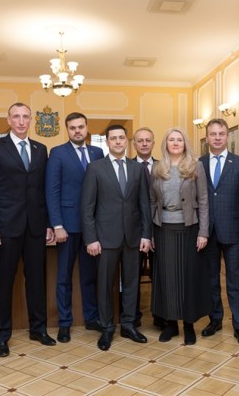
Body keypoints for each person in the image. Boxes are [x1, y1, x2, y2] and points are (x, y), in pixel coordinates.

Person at [0, 102, 56, 358]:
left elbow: (44, 190)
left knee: (37, 281)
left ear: (31, 120)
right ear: (9, 120)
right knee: (4, 282)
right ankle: (1, 336)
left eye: (25, 117)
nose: (21, 121)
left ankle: (38, 329)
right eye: (16, 116)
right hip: (5, 227)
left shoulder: (40, 149)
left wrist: (48, 223)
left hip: (35, 227)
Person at [81, 124, 152, 351]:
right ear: (107, 142)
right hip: (105, 239)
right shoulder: (95, 168)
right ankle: (107, 327)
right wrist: (91, 238)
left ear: (126, 140)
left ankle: (128, 325)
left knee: (131, 283)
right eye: (114, 138)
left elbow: (144, 204)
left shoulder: (137, 169)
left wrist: (146, 235)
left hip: (133, 237)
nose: (118, 141)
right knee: (105, 285)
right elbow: (87, 207)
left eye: (122, 137)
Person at [45, 112, 104, 343]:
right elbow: (52, 190)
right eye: (72, 128)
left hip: (92, 227)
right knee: (64, 277)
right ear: (67, 130)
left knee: (89, 276)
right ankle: (64, 323)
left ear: (87, 128)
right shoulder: (58, 153)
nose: (77, 131)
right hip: (67, 227)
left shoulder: (97, 153)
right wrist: (57, 224)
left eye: (80, 127)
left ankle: (92, 318)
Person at [149, 127, 211, 345]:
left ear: (185, 144)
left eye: (179, 140)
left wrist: (203, 232)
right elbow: (151, 201)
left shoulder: (196, 166)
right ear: (165, 144)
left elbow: (203, 200)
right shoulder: (157, 167)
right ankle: (171, 324)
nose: (175, 143)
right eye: (171, 140)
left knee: (188, 278)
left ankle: (188, 325)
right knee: (167, 278)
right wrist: (150, 233)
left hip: (189, 228)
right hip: (163, 228)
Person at [199, 118, 239, 346]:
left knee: (236, 281)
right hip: (206, 233)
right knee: (210, 280)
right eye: (213, 134)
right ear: (207, 138)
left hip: (234, 231)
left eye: (221, 134)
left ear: (227, 136)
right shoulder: (198, 164)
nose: (217, 138)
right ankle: (215, 319)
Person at [130, 127, 165, 330]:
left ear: (153, 143)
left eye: (148, 140)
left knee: (159, 274)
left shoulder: (163, 167)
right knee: (132, 274)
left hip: (160, 228)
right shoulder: (126, 166)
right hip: (134, 231)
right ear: (134, 144)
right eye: (140, 140)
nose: (144, 143)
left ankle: (160, 314)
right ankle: (132, 315)